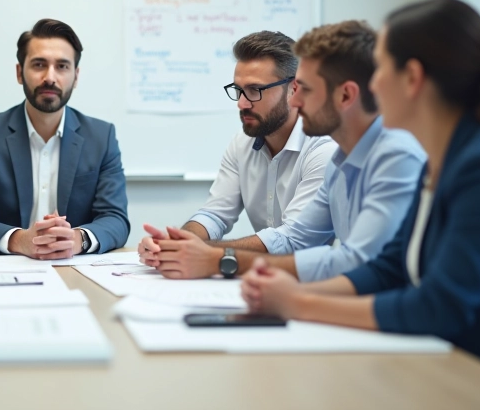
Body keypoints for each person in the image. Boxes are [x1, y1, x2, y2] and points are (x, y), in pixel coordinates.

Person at [241, 0, 480, 380]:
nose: (373, 84)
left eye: (381, 69)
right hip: (462, 367)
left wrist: (300, 304)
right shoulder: (445, 157)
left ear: (412, 78)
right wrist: (292, 294)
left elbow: (439, 306)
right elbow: (389, 268)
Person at [143, 21, 425, 282]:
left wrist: (216, 258)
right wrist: (184, 246)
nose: (297, 100)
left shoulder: (392, 155)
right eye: (238, 90)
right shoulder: (340, 160)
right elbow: (304, 245)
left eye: (306, 89)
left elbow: (357, 265)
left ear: (346, 95)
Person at [137, 31, 336, 270]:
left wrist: (196, 250)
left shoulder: (324, 148)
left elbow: (292, 240)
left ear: (294, 89)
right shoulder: (242, 144)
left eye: (255, 90)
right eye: (238, 90)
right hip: (262, 280)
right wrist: (176, 241)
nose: (242, 103)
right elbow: (215, 214)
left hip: (314, 285)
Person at [0, 18, 129, 258]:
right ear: (19, 72)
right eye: (39, 64)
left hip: (76, 268)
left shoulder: (101, 136)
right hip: (9, 270)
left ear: (75, 77)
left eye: (62, 66)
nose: (50, 77)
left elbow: (116, 218)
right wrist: (20, 240)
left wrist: (77, 239)